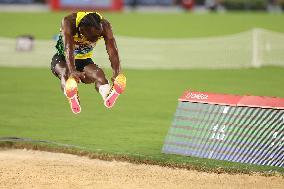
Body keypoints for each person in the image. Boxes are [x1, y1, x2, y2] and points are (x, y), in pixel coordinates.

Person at [50, 12, 126, 114]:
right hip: (62, 58)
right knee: (65, 73)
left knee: (99, 75)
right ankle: (71, 93)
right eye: (91, 37)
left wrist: (116, 73)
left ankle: (108, 95)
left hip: (84, 61)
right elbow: (68, 47)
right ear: (81, 30)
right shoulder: (68, 22)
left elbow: (112, 50)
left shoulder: (105, 26)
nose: (94, 40)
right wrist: (72, 70)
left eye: (97, 36)